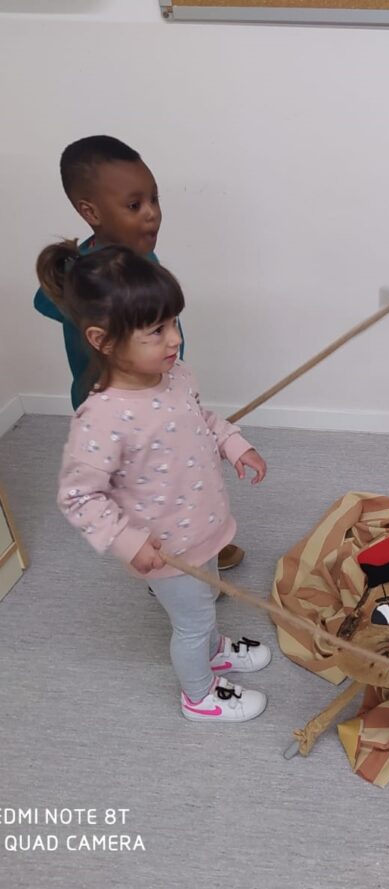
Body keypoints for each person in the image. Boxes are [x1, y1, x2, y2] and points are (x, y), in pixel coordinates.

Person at [41, 242, 271, 723]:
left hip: (204, 526)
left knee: (205, 603)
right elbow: (78, 496)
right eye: (156, 331)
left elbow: (201, 420)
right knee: (191, 622)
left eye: (173, 324)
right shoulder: (102, 418)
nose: (174, 340)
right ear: (103, 340)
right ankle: (199, 696)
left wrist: (233, 444)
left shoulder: (176, 376)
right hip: (166, 548)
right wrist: (128, 541)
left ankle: (213, 650)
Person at [33, 135, 244, 571]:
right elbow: (45, 300)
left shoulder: (143, 257)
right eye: (134, 205)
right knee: (144, 483)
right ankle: (165, 556)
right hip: (121, 405)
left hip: (159, 385)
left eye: (154, 200)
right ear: (91, 212)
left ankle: (198, 538)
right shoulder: (84, 277)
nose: (151, 213)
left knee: (181, 465)